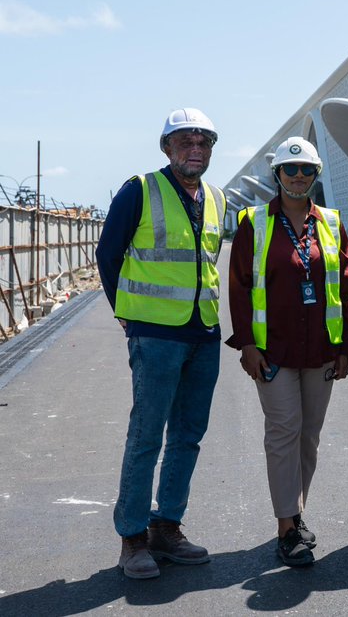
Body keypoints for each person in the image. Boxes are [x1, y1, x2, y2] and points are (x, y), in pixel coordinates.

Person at [97, 108, 227, 579]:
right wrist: (126, 313)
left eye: (204, 141)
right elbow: (108, 253)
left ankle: (166, 527)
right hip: (154, 335)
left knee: (188, 436)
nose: (196, 149)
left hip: (203, 332)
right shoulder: (140, 189)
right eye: (185, 141)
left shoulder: (217, 198)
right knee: (147, 435)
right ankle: (132, 538)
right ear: (167, 147)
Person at [225, 137, 348, 567]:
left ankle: (296, 513)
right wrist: (247, 343)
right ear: (277, 174)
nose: (298, 176)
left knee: (309, 435)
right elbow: (239, 287)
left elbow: (345, 286)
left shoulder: (331, 223)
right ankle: (286, 526)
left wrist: (347, 345)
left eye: (306, 170)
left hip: (320, 349)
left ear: (316, 175)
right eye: (290, 169)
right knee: (284, 430)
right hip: (274, 350)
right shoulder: (254, 223)